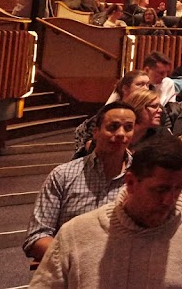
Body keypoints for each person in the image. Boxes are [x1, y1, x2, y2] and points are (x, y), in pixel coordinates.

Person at [30, 135, 182, 289]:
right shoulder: (76, 233)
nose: (170, 200)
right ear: (130, 182)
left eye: (178, 188)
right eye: (161, 189)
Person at [25, 103, 136, 261]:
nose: (120, 133)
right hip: (71, 270)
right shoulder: (63, 175)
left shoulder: (143, 177)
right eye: (113, 127)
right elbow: (37, 237)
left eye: (128, 127)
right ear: (96, 133)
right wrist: (80, 260)